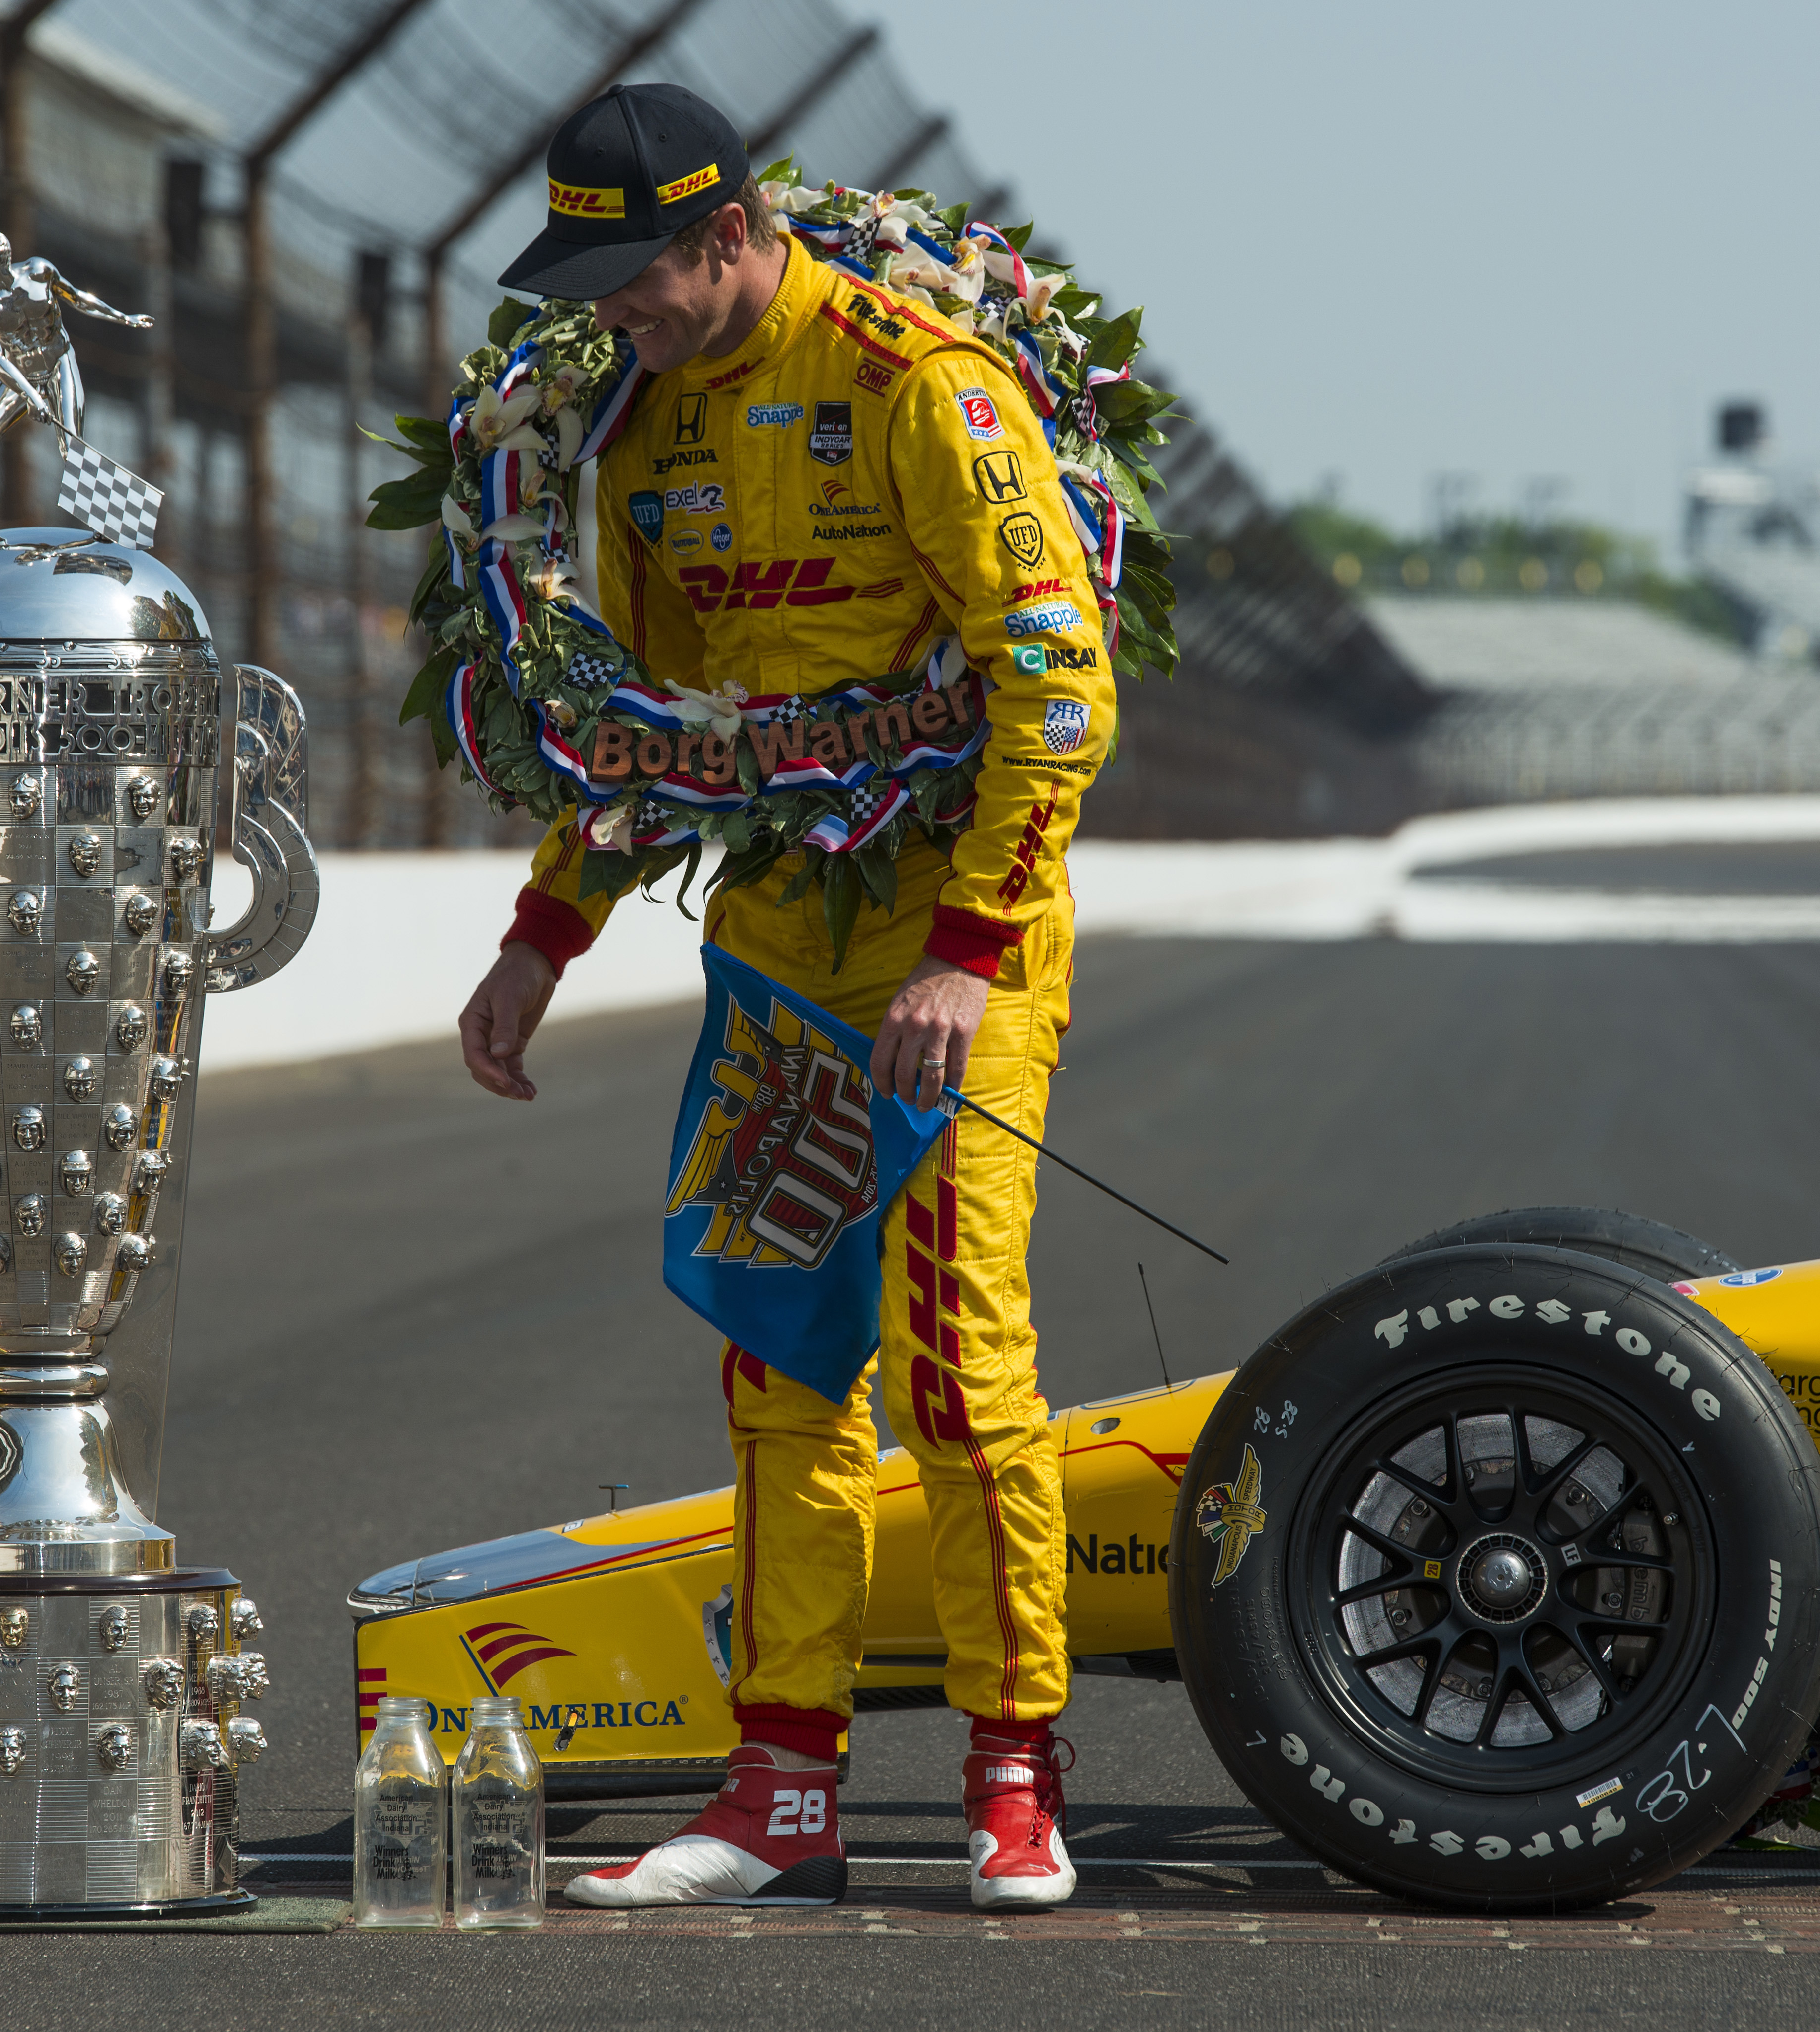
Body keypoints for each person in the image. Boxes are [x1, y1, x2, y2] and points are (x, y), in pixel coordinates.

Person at [461, 84, 1118, 1912]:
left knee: (959, 1366)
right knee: (775, 1363)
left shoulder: (923, 386)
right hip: (773, 947)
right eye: (589, 286)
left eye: (635, 279)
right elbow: (644, 733)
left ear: (727, 235)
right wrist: (545, 932)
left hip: (950, 950)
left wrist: (967, 950)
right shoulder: (645, 425)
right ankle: (781, 1787)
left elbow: (1058, 688)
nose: (613, 316)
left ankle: (1012, 1776)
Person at [0, 227, 152, 530]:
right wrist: (31, 396)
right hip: (21, 377)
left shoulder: (39, 272)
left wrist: (122, 318)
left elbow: (77, 299)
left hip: (59, 364)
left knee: (71, 447)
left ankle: (111, 524)